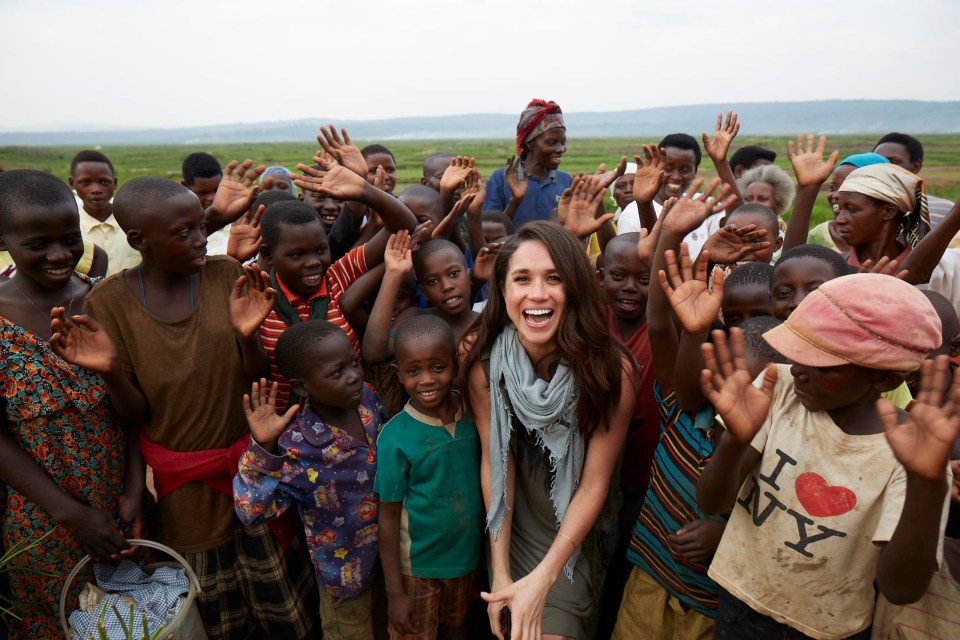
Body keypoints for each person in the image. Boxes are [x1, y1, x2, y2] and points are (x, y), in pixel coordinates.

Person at [81, 174, 318, 640]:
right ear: (137, 241)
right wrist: (110, 370)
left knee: (285, 611)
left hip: (251, 472)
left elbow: (253, 379)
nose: (200, 239)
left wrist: (248, 338)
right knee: (215, 613)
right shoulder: (108, 303)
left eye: (200, 226)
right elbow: (134, 414)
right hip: (184, 490)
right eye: (184, 232)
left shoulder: (224, 275)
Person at [697, 273, 952, 640]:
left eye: (823, 364)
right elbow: (711, 502)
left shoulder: (914, 454)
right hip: (741, 603)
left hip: (827, 628)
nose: (798, 368)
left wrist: (926, 487)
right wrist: (735, 441)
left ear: (885, 380)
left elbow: (900, 589)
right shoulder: (778, 388)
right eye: (799, 350)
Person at [460, 221, 636, 640]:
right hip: (508, 529)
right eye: (522, 279)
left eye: (554, 278)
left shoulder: (612, 371)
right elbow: (495, 460)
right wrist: (500, 573)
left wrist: (544, 578)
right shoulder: (484, 364)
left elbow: (594, 485)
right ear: (502, 292)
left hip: (572, 540)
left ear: (574, 288)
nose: (537, 294)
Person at [0, 170, 141, 639]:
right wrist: (70, 514)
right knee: (59, 621)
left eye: (69, 239)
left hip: (123, 508)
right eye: (38, 244)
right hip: (41, 520)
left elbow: (138, 413)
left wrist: (137, 489)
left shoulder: (105, 299)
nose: (60, 256)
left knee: (129, 620)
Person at [234, 321, 388, 639]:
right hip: (345, 581)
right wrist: (262, 449)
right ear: (302, 387)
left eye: (354, 363)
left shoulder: (368, 401)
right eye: (337, 373)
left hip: (392, 562)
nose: (354, 375)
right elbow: (250, 511)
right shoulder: (296, 448)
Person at [261, 156, 418, 412]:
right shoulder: (259, 297)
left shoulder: (337, 277)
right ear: (269, 256)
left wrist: (366, 192)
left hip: (351, 418)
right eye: (296, 255)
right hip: (284, 429)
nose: (313, 262)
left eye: (321, 250)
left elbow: (405, 226)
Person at [375, 315, 484, 640]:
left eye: (438, 367)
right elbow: (388, 519)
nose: (427, 380)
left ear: (455, 363)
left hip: (465, 561)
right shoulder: (395, 437)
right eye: (413, 371)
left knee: (457, 629)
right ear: (399, 374)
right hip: (417, 569)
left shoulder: (476, 415)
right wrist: (394, 593)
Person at [482, 100, 573, 227]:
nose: (560, 149)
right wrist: (515, 201)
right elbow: (489, 232)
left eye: (563, 142)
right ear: (529, 143)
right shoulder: (500, 179)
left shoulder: (566, 181)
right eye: (552, 143)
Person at [69, 149, 141, 275]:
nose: (96, 189)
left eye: (104, 182)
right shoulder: (68, 228)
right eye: (86, 182)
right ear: (72, 183)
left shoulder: (136, 222)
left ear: (115, 183)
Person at [873, 132, 958, 235]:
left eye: (894, 162)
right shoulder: (859, 208)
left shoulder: (945, 210)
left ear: (916, 166)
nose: (884, 167)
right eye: (877, 161)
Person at [805, 152, 890, 253]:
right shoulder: (819, 236)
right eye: (832, 188)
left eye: (847, 187)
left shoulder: (904, 241)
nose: (835, 195)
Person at [182, 152, 231, 255]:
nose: (212, 198)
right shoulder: (179, 223)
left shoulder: (237, 217)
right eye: (203, 193)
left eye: (217, 190)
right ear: (185, 187)